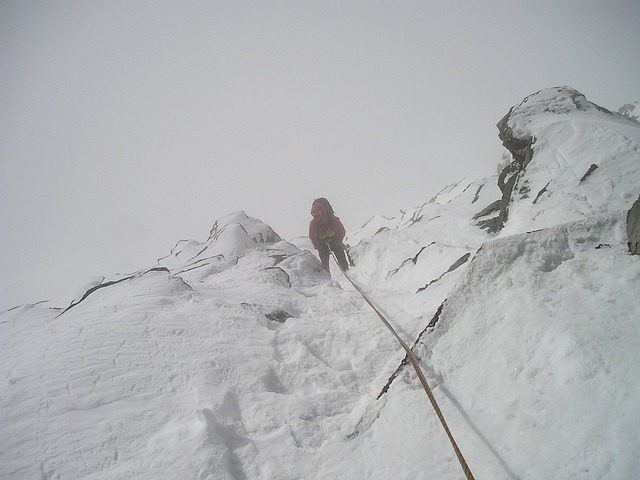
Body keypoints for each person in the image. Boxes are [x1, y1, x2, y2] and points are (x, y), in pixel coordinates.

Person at [308, 197, 350, 272]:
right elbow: (312, 237)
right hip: (323, 245)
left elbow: (341, 232)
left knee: (341, 257)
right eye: (314, 216)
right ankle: (327, 276)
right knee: (324, 262)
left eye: (317, 215)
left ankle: (346, 270)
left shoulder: (333, 220)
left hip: (335, 242)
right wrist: (320, 247)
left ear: (322, 212)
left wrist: (335, 244)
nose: (315, 218)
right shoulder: (313, 224)